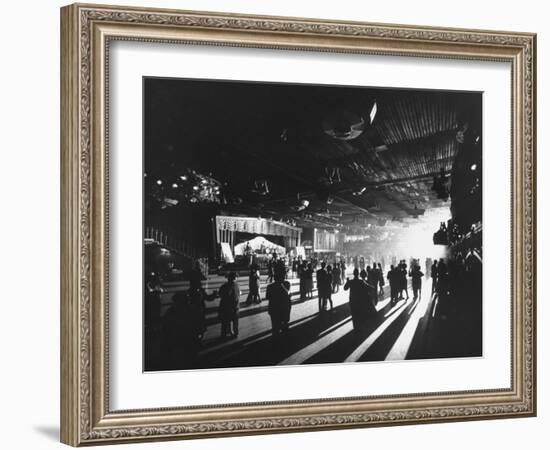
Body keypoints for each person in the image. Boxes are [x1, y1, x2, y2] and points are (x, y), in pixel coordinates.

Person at [266, 267, 292, 340]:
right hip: (280, 308)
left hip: (279, 309)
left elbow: (289, 294)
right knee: (276, 327)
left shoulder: (286, 284)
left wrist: (281, 285)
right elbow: (289, 294)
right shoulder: (271, 286)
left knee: (281, 326)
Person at [218, 272, 241, 338]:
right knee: (235, 322)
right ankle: (235, 333)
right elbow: (238, 294)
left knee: (225, 322)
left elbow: (221, 295)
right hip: (234, 307)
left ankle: (225, 334)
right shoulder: (237, 285)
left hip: (227, 307)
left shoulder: (224, 286)